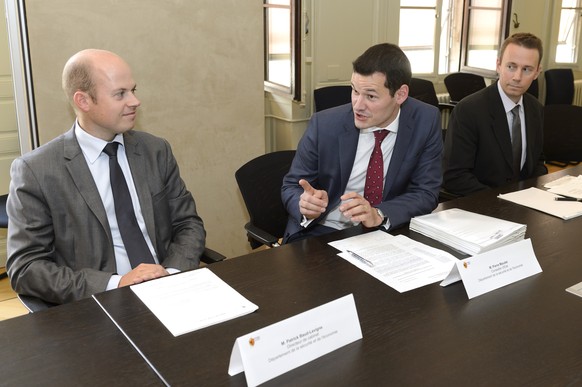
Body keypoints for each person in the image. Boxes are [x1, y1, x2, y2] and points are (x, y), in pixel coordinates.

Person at [6, 49, 206, 305]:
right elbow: (26, 268)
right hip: (98, 304)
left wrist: (172, 274)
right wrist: (116, 283)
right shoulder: (36, 171)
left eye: (134, 90)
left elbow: (188, 224)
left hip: (170, 289)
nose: (135, 101)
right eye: (120, 94)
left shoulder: (155, 150)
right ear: (83, 101)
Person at [281, 43, 442, 243]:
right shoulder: (324, 124)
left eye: (371, 96)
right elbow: (291, 186)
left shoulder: (425, 120)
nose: (358, 105)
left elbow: (426, 192)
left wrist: (379, 213)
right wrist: (305, 205)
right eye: (355, 91)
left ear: (400, 94)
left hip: (384, 231)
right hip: (323, 231)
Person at [443, 32, 547, 197]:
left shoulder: (536, 109)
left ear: (537, 73)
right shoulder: (469, 110)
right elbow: (455, 176)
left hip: (524, 203)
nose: (517, 77)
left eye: (527, 69)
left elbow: (537, 162)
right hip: (481, 206)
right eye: (511, 66)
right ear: (498, 65)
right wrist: (500, 201)